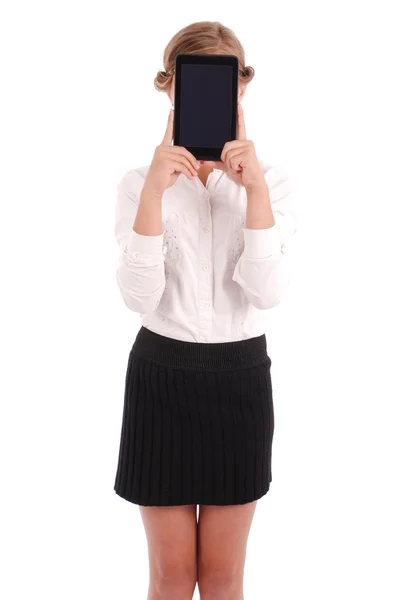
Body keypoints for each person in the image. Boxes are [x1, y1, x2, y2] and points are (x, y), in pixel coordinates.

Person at [113, 20, 297, 600]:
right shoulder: (140, 182)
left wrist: (256, 195)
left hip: (238, 381)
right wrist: (153, 197)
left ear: (241, 89)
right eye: (190, 86)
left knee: (222, 580)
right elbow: (139, 299)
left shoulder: (272, 185)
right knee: (169, 578)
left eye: (223, 85)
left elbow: (267, 293)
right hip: (160, 378)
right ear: (170, 89)